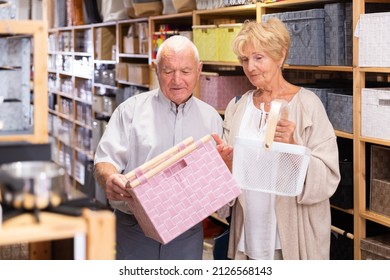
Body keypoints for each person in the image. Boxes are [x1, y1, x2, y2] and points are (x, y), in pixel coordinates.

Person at [212, 18, 341, 260]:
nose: (250, 67)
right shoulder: (237, 106)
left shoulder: (308, 105)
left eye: (258, 57)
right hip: (248, 233)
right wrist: (225, 164)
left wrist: (294, 149)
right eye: (244, 59)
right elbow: (229, 175)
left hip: (293, 235)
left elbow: (329, 177)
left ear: (280, 56)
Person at [94, 35, 223, 260]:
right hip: (134, 230)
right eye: (168, 71)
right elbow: (104, 162)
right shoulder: (130, 111)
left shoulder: (212, 119)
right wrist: (110, 179)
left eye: (185, 71)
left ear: (199, 70)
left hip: (187, 233)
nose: (177, 80)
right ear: (156, 69)